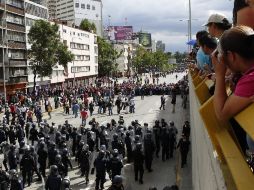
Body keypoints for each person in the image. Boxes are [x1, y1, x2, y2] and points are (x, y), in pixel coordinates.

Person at [212, 26, 254, 151]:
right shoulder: (247, 75)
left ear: (231, 56)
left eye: (222, 55)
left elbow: (221, 113)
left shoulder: (250, 80)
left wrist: (220, 74)